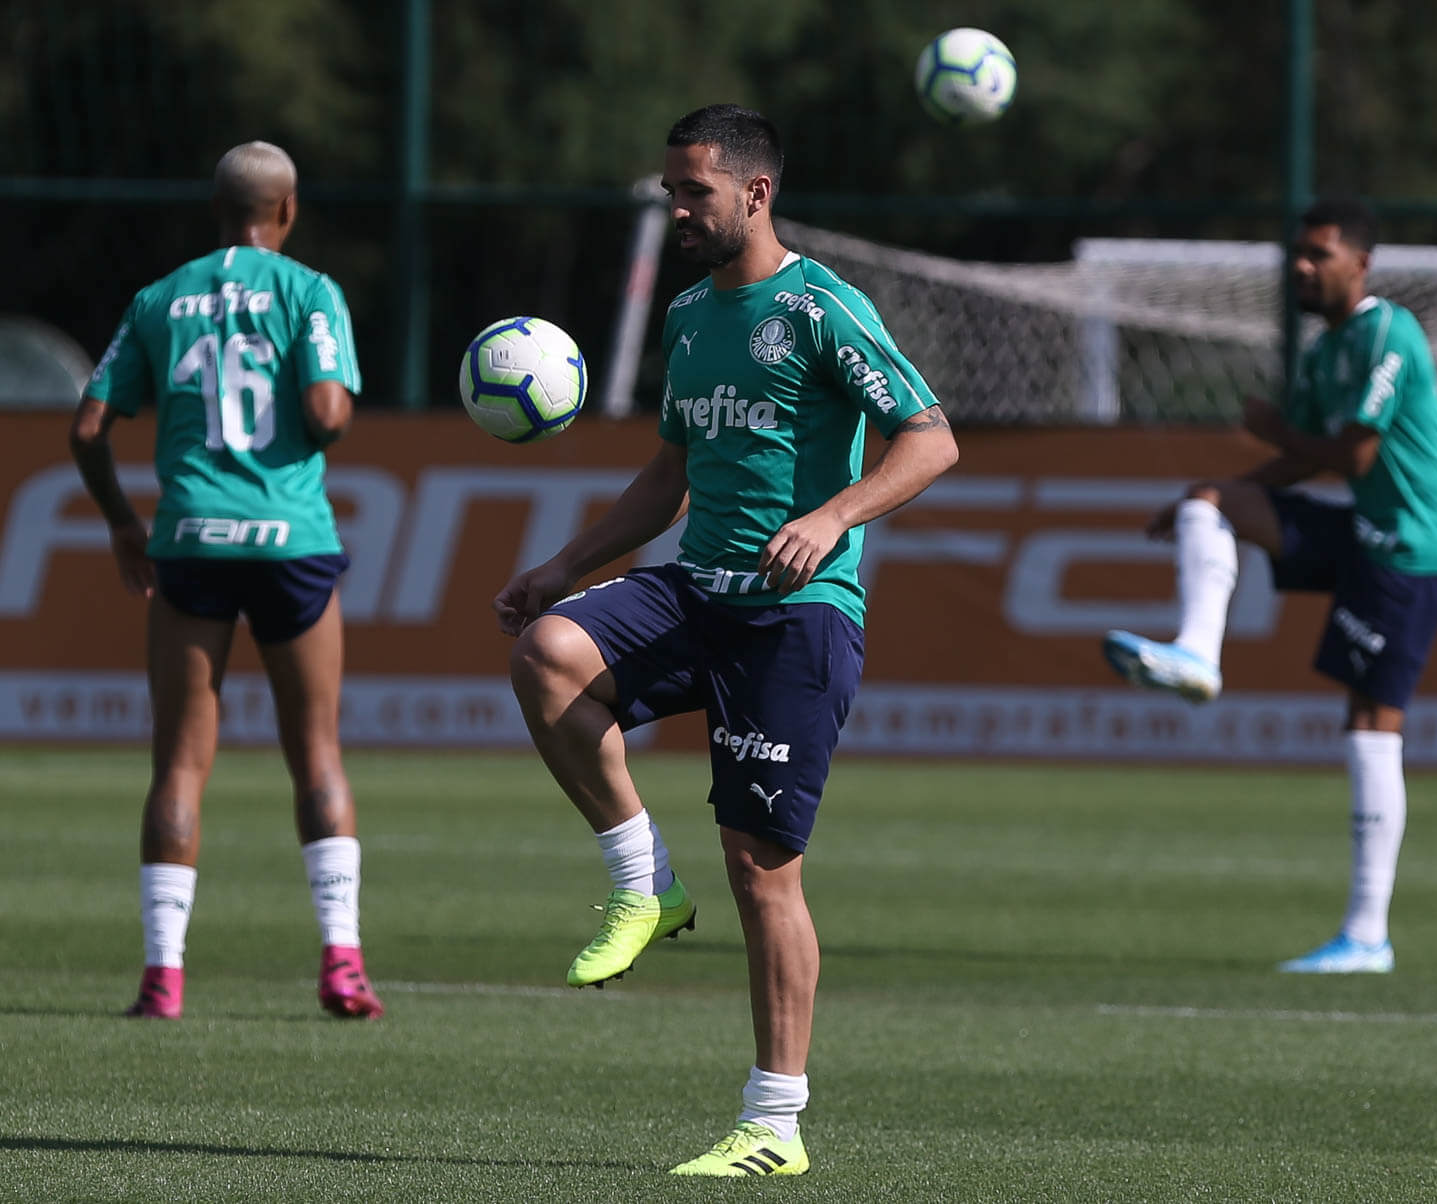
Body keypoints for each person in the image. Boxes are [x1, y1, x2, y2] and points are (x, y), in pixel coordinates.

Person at [494, 104, 958, 1176]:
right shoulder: (693, 313)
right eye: (669, 191)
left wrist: (835, 513)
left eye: (692, 191)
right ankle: (642, 880)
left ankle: (775, 1124)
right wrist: (565, 567)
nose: (677, 209)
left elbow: (931, 439)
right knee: (549, 654)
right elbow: (670, 474)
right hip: (695, 594)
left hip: (797, 619)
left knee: (761, 873)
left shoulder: (822, 309)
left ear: (755, 193)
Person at [1102, 197, 1437, 975]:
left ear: (1360, 263)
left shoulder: (1387, 333)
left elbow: (1356, 457)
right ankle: (1198, 655)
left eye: (1319, 255)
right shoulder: (1323, 350)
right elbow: (1308, 461)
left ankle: (1368, 935)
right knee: (1215, 502)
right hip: (1364, 533)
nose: (1301, 267)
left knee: (1372, 721)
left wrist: (1276, 435)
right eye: (1297, 253)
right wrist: (1225, 488)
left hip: (1414, 547)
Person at [68, 141, 383, 1021]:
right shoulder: (310, 292)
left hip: (192, 538)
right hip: (291, 541)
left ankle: (161, 977)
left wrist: (125, 525)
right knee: (315, 752)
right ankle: (342, 965)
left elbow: (88, 429)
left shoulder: (161, 298)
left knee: (178, 761)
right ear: (286, 211)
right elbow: (325, 414)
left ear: (218, 209)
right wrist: (327, 416)